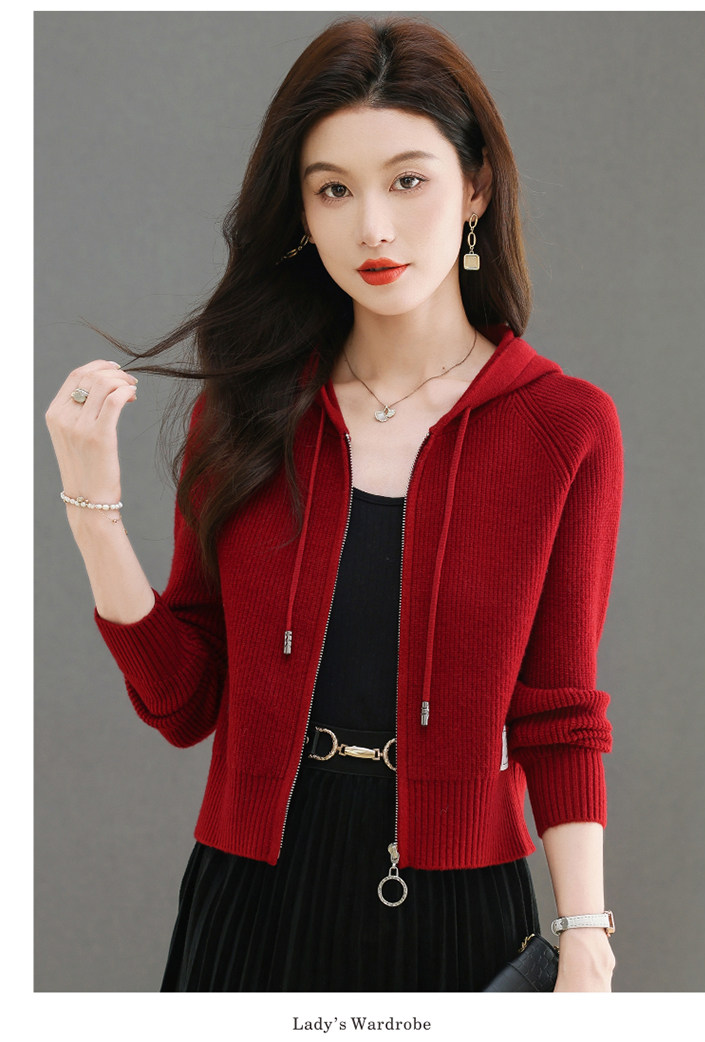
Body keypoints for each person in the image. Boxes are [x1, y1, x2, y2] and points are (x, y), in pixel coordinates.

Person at [45, 17, 622, 992]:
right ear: (302, 213)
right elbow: (183, 701)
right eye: (334, 190)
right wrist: (91, 505)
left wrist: (585, 937)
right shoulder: (249, 407)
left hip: (458, 906)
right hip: (250, 898)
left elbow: (559, 712)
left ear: (475, 187)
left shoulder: (563, 426)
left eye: (408, 180)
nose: (374, 228)